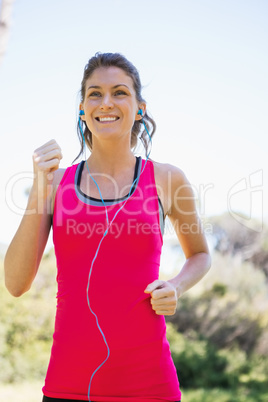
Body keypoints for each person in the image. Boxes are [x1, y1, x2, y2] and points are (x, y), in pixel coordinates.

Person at [4, 52, 211, 402]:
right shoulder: (54, 185)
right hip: (67, 387)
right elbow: (15, 283)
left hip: (151, 387)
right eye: (95, 94)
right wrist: (40, 184)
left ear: (139, 107)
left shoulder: (168, 179)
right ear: (83, 109)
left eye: (119, 92)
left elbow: (201, 255)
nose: (106, 102)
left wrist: (175, 286)